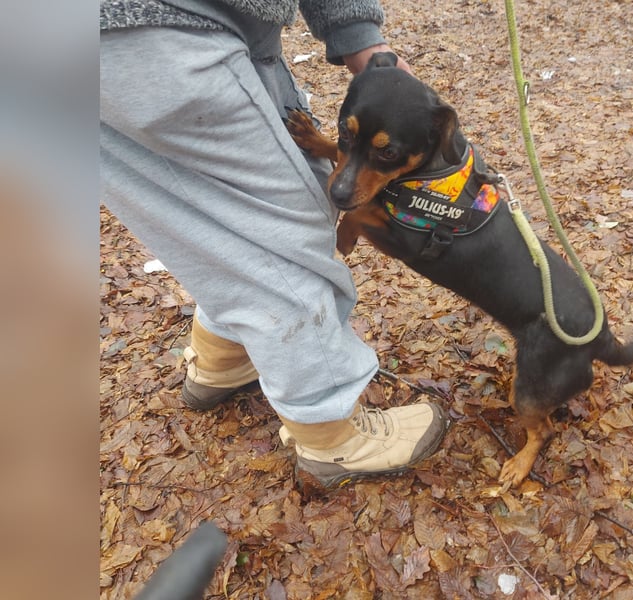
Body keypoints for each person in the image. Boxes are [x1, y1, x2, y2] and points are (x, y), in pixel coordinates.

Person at [100, 0, 448, 488]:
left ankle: (221, 360)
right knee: (292, 225)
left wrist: (359, 35)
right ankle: (330, 433)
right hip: (167, 29)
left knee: (201, 215)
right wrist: (361, 36)